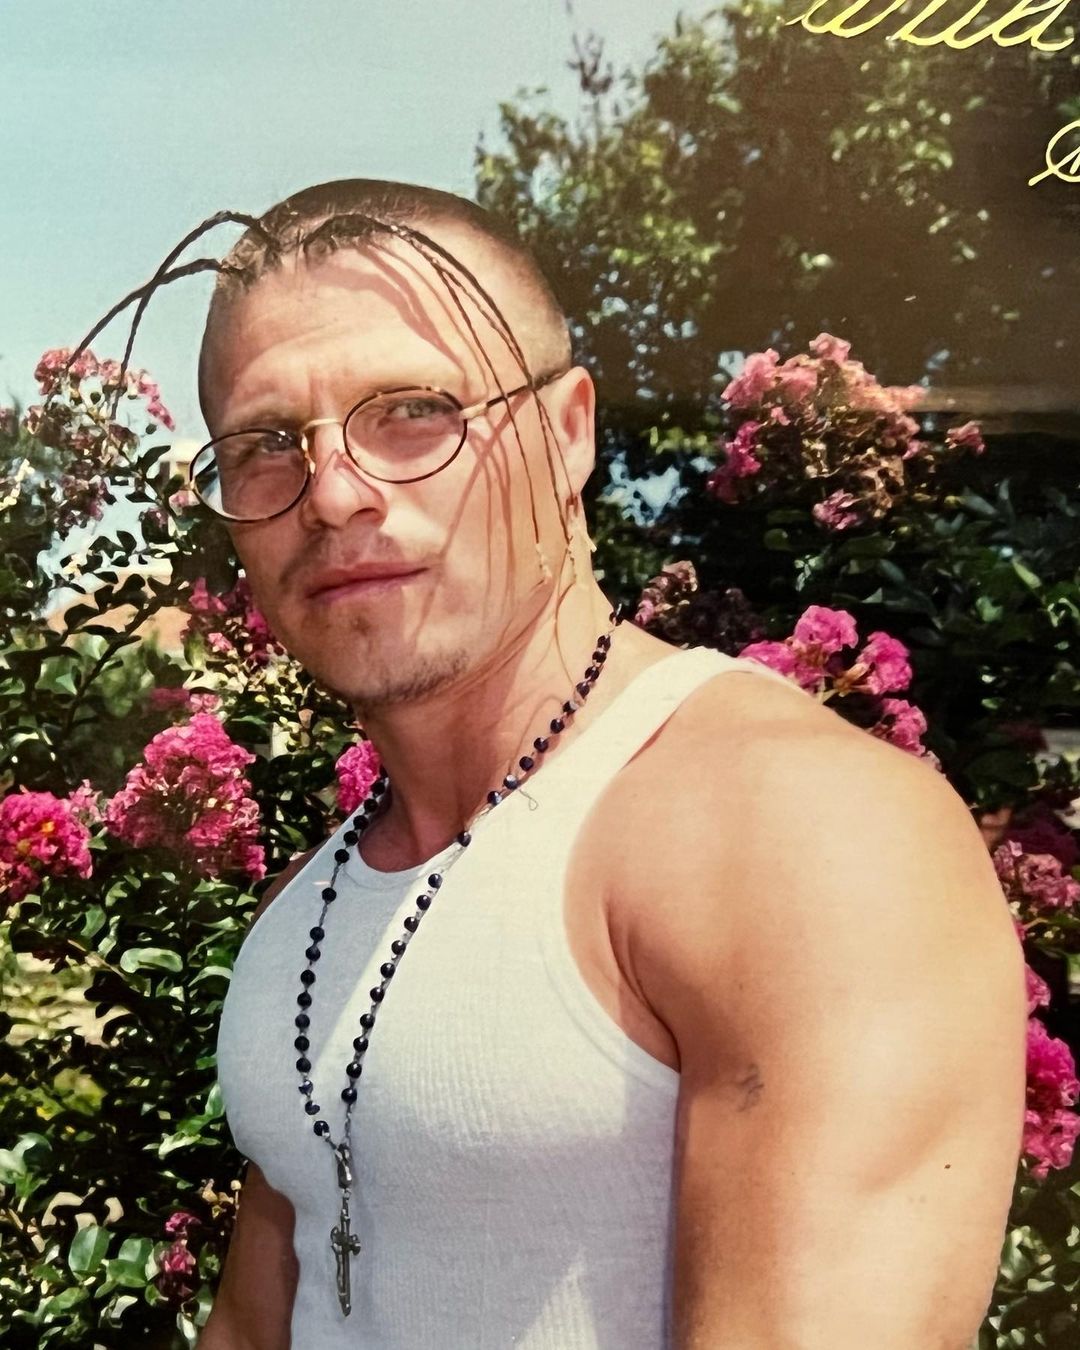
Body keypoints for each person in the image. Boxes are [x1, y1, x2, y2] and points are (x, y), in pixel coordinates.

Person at [198, 179, 1027, 1349]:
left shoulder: (795, 832)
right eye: (265, 445)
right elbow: (256, 1324)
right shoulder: (314, 903)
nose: (332, 494)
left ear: (569, 431)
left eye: (414, 412)